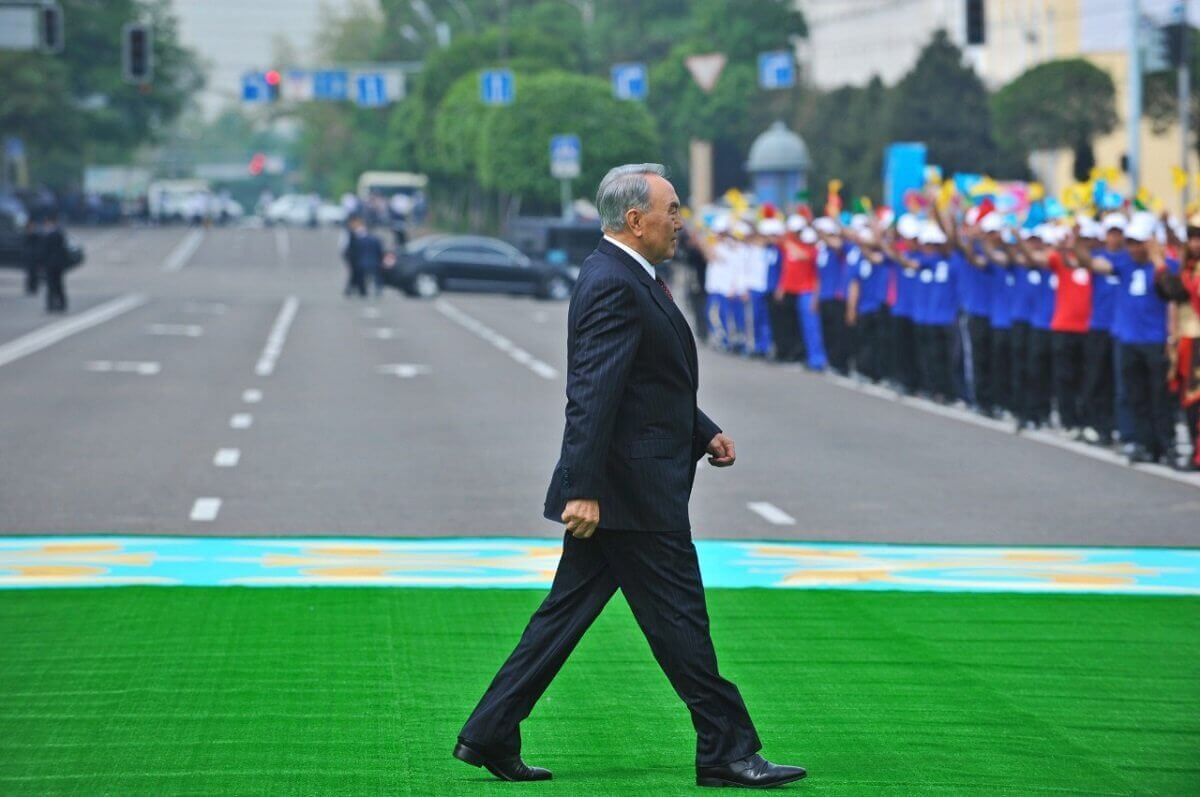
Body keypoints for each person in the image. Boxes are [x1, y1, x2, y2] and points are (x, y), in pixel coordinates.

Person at [455, 164, 806, 789]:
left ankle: (489, 732)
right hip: (629, 495)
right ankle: (727, 750)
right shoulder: (615, 282)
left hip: (626, 489)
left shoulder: (630, 275)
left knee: (562, 617)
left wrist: (702, 430)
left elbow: (648, 382)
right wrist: (582, 489)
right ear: (635, 220)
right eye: (671, 209)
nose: (680, 220)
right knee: (681, 622)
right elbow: (592, 394)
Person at [1078, 213, 1178, 464]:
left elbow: (1172, 296)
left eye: (1139, 242)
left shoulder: (1167, 266)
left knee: (1160, 396)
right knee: (1135, 395)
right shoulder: (1123, 263)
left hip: (1156, 341)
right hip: (1127, 340)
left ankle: (1165, 445)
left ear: (1151, 242)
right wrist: (1077, 245)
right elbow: (1093, 265)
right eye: (1130, 242)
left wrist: (1157, 258)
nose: (1133, 247)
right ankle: (1141, 443)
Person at [41, 213, 70, 313]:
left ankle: (52, 305)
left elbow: (44, 251)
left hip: (51, 264)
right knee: (57, 285)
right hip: (58, 264)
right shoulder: (59, 234)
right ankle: (60, 304)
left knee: (52, 285)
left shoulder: (50, 235)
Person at [22, 217, 42, 296]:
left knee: (34, 274)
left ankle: (34, 288)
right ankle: (29, 288)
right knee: (29, 274)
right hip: (29, 256)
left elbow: (39, 246)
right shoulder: (26, 235)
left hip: (35, 257)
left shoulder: (36, 235)